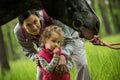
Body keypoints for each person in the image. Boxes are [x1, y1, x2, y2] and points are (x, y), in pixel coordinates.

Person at [14, 9, 90, 80]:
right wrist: (37, 58)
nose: (34, 27)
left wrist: (63, 54)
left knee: (82, 64)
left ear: (39, 17)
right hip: (46, 45)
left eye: (35, 21)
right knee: (40, 76)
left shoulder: (51, 16)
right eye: (28, 25)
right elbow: (29, 51)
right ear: (22, 26)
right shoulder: (19, 32)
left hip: (69, 37)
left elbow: (69, 41)